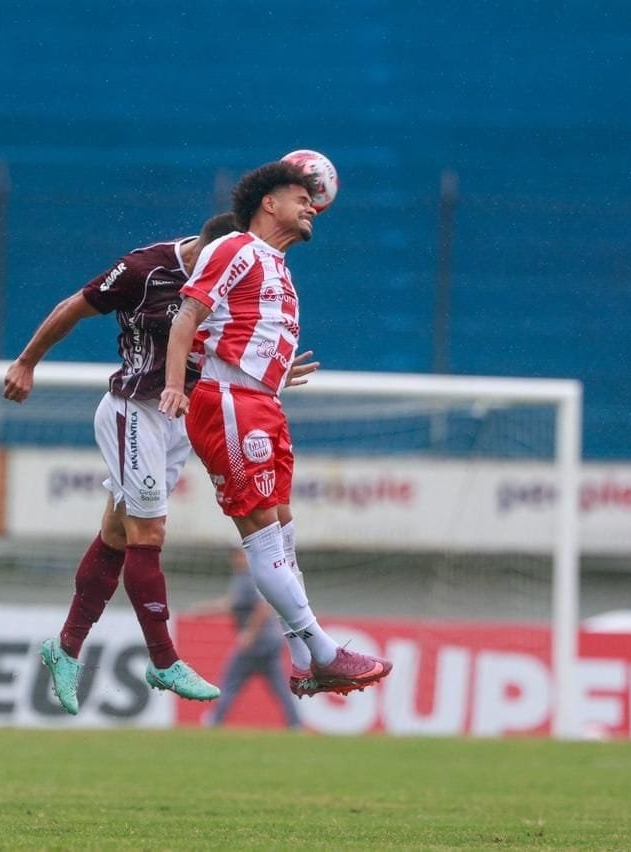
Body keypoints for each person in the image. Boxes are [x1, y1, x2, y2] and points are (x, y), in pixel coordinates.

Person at [159, 160, 393, 698]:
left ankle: (302, 660)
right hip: (229, 402)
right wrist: (176, 385)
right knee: (263, 536)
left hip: (260, 400)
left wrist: (270, 372)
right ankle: (326, 652)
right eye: (300, 196)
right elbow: (187, 318)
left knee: (283, 534)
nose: (312, 205)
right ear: (269, 202)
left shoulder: (277, 266)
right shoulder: (234, 247)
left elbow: (231, 331)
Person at [3, 212, 242, 714]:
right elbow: (73, 308)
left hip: (181, 418)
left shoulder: (237, 277)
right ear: (208, 251)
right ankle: (163, 657)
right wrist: (27, 362)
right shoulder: (144, 270)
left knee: (117, 535)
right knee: (148, 534)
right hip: (135, 412)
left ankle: (65, 647)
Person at [194, 549, 302, 729]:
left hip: (259, 641)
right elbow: (232, 603)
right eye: (233, 555)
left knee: (231, 679)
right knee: (279, 686)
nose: (235, 559)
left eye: (238, 555)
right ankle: (295, 724)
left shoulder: (251, 576)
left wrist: (249, 633)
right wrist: (205, 610)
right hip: (271, 640)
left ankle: (214, 720)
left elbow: (263, 605)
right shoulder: (243, 578)